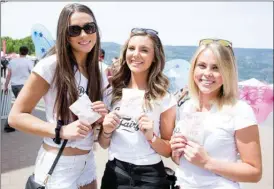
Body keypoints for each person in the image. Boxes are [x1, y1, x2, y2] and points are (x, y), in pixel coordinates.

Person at [8, 3, 108, 189]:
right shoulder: (50, 67)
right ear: (65, 35)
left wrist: (103, 117)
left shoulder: (101, 70)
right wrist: (60, 131)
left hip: (87, 162)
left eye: (89, 28)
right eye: (74, 30)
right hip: (58, 164)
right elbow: (16, 116)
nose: (84, 35)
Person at [170, 39, 262, 189]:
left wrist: (208, 162)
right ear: (193, 69)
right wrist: (176, 151)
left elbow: (254, 172)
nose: (207, 73)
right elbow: (184, 162)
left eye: (216, 68)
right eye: (202, 66)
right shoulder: (186, 106)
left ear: (227, 73)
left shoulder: (239, 110)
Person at [99, 28, 176, 189]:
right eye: (131, 48)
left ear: (155, 57)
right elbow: (104, 144)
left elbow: (168, 150)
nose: (136, 54)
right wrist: (106, 130)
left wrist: (151, 137)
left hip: (149, 177)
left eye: (144, 50)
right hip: (115, 172)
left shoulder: (164, 98)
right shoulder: (111, 91)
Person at [3, 46, 34, 132]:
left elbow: (8, 75)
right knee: (20, 106)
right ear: (27, 52)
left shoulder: (12, 61)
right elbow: (33, 74)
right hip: (24, 85)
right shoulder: (28, 62)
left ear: (19, 51)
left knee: (20, 105)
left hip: (14, 86)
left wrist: (5, 86)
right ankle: (9, 124)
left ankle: (18, 123)